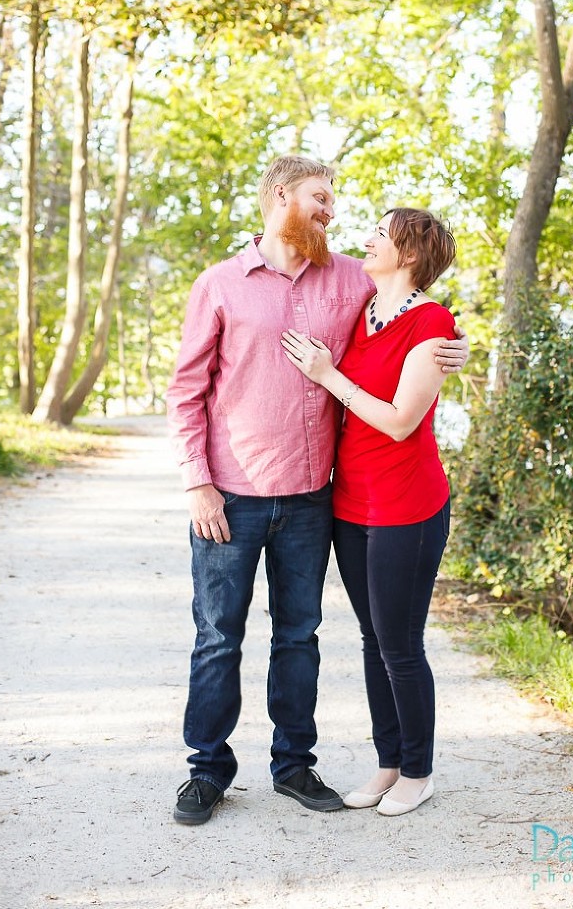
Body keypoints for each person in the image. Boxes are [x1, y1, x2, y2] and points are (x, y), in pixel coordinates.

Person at [165, 157, 468, 826]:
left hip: (312, 499)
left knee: (300, 637)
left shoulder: (353, 279)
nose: (334, 212)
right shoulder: (219, 284)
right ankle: (207, 770)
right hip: (231, 495)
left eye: (334, 201)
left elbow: (419, 309)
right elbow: (186, 391)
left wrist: (458, 344)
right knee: (218, 636)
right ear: (282, 197)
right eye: (321, 199)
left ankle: (293, 765)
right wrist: (197, 483)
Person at [280, 207, 457, 817]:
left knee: (401, 643)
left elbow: (402, 421)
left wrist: (329, 377)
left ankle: (419, 770)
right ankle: (389, 762)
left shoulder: (432, 323)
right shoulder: (364, 307)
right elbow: (302, 255)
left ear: (408, 254)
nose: (367, 240)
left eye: (380, 235)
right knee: (371, 636)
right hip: (351, 498)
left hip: (406, 503)